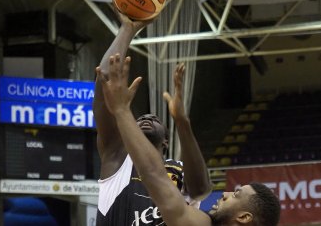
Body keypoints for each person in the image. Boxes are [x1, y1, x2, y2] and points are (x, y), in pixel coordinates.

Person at [96, 55, 281, 226]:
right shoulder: (203, 221)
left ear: (243, 217)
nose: (225, 193)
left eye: (235, 194)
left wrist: (121, 110)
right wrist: (182, 123)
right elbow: (177, 198)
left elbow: (155, 176)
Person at [93, 10, 211, 225]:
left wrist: (184, 123)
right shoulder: (117, 158)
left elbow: (201, 190)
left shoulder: (178, 169)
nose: (146, 118)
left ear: (165, 141)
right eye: (139, 119)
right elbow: (105, 81)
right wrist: (127, 29)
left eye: (155, 120)